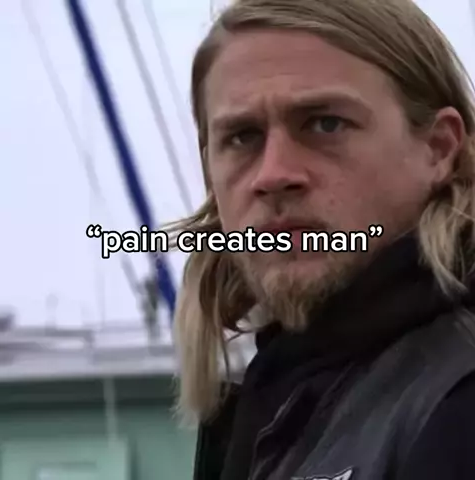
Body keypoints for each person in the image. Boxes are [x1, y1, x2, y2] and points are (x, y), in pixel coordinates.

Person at [167, 0, 475, 478]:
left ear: (438, 148)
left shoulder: (457, 404)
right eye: (243, 137)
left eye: (325, 124)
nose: (274, 175)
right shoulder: (271, 402)